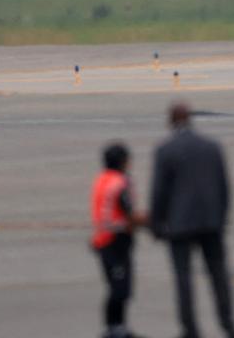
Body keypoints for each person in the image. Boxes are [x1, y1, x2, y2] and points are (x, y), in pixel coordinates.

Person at [151, 102, 234, 338]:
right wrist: (221, 219)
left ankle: (190, 330)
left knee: (183, 279)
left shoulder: (165, 150)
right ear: (190, 119)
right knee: (218, 275)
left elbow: (159, 192)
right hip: (211, 222)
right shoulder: (212, 147)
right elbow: (224, 188)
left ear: (170, 121)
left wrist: (157, 225)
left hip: (179, 224)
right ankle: (228, 324)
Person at [90, 141, 147, 338]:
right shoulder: (120, 183)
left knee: (117, 287)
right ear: (123, 161)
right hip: (115, 241)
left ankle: (118, 327)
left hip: (103, 239)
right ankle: (113, 328)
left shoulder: (102, 179)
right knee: (120, 288)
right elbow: (129, 213)